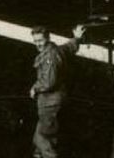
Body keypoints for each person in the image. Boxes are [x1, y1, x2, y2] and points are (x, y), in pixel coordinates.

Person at [29, 25, 86, 158]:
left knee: (43, 140)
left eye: (40, 41)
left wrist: (35, 88)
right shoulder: (57, 49)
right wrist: (77, 38)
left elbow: (49, 82)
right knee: (40, 139)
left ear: (48, 38)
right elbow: (69, 47)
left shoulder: (50, 57)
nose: (38, 44)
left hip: (49, 103)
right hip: (54, 102)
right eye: (35, 41)